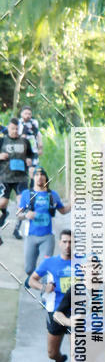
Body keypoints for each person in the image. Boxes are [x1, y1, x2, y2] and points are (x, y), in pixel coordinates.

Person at [28, 229, 79, 362]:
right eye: (65, 242)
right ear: (59, 243)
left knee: (76, 355)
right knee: (51, 353)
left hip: (76, 313)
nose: (68, 245)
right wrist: (43, 288)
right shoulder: (49, 263)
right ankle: (59, 360)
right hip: (55, 312)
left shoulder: (81, 263)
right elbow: (31, 280)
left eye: (71, 242)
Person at [17, 167, 70, 287]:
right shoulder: (27, 194)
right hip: (31, 236)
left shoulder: (52, 195)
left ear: (46, 178)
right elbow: (19, 214)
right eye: (37, 174)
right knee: (28, 268)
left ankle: (45, 293)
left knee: (45, 266)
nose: (39, 177)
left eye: (42, 174)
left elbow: (63, 210)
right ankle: (32, 279)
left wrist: (73, 202)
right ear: (33, 178)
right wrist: (26, 215)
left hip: (47, 237)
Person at [0, 118, 34, 246]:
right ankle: (4, 214)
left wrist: (30, 162)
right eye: (12, 128)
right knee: (2, 203)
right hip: (5, 178)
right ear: (8, 128)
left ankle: (18, 231)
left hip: (21, 178)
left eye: (16, 129)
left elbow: (31, 154)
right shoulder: (2, 140)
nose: (14, 131)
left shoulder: (25, 141)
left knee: (22, 206)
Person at [14, 107, 43, 239]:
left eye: (30, 113)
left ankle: (31, 226)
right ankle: (17, 227)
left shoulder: (34, 123)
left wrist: (40, 145)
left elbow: (38, 134)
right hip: (21, 157)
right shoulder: (18, 124)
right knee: (23, 196)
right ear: (21, 114)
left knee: (32, 193)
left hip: (33, 156)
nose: (28, 115)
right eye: (26, 113)